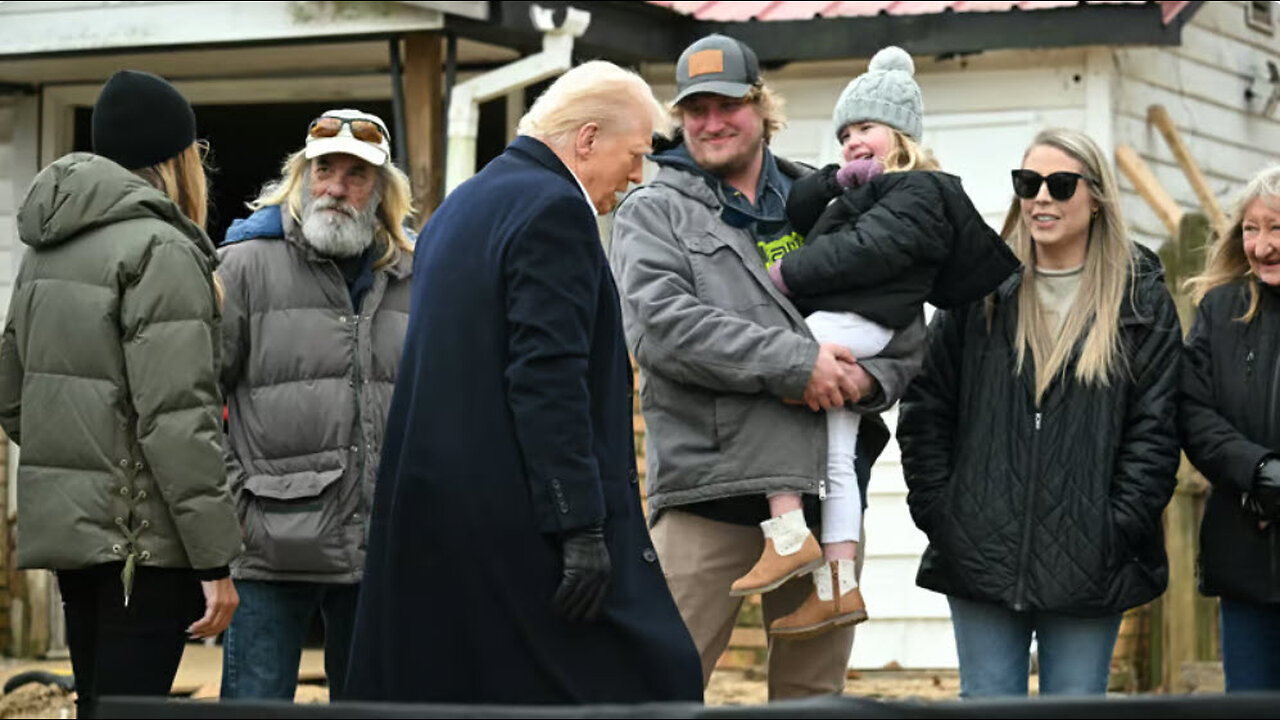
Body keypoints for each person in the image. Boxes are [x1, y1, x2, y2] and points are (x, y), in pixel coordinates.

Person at [343, 60, 704, 704]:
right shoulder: (555, 210)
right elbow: (546, 379)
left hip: (438, 521)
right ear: (588, 139)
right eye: (636, 153)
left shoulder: (462, 206)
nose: (637, 175)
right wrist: (581, 526)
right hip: (522, 526)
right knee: (655, 676)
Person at [610, 34, 926, 699]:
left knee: (812, 699)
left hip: (822, 500)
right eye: (695, 109)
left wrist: (866, 381)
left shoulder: (831, 200)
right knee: (654, 688)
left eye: (727, 104)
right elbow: (663, 331)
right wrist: (796, 364)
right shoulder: (653, 210)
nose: (711, 122)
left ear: (761, 105)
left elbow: (901, 320)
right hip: (709, 495)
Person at [736, 46, 1018, 640]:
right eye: (843, 134)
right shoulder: (871, 188)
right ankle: (837, 584)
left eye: (865, 127)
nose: (851, 141)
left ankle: (787, 534)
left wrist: (785, 277)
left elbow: (860, 252)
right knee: (838, 449)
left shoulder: (920, 191)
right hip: (858, 324)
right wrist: (840, 181)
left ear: (901, 132)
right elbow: (800, 210)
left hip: (859, 321)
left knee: (765, 373)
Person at [897, 127, 1182, 697]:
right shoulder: (978, 289)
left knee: (1075, 710)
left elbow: (1156, 432)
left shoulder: (1140, 301)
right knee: (987, 706)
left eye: (1060, 184)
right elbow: (926, 409)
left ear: (1096, 197)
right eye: (1028, 183)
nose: (1041, 197)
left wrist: (1113, 527)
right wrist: (945, 513)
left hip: (1091, 561)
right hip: (980, 551)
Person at [0, 70, 241, 719]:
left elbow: (14, 394)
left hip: (79, 546)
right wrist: (216, 560)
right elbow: (179, 421)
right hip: (145, 548)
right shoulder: (162, 248)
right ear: (176, 157)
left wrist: (88, 466)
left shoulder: (45, 249)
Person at [216, 109, 415, 701]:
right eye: (324, 169)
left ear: (381, 190)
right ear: (300, 175)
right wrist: (233, 508)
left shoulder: (414, 272)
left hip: (380, 546)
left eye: (356, 175)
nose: (335, 187)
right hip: (268, 547)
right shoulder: (245, 263)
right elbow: (195, 398)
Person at [1180, 165, 1280, 692]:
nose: (1261, 246)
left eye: (1276, 229)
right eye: (1250, 229)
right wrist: (1260, 470)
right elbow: (1194, 413)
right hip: (1245, 557)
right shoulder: (1221, 310)